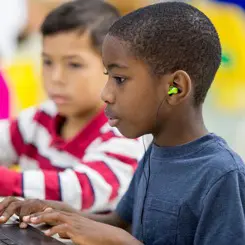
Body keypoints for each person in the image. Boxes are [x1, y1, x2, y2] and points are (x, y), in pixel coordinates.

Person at [1, 2, 245, 244]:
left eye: (119, 79)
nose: (105, 94)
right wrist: (56, 212)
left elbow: (120, 236)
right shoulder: (155, 153)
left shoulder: (222, 175)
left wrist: (120, 242)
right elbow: (120, 221)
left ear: (175, 88)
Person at [0, 0, 144, 212]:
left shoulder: (125, 134)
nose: (56, 78)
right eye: (48, 62)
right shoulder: (40, 118)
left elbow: (81, 189)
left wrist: (9, 181)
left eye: (74, 65)